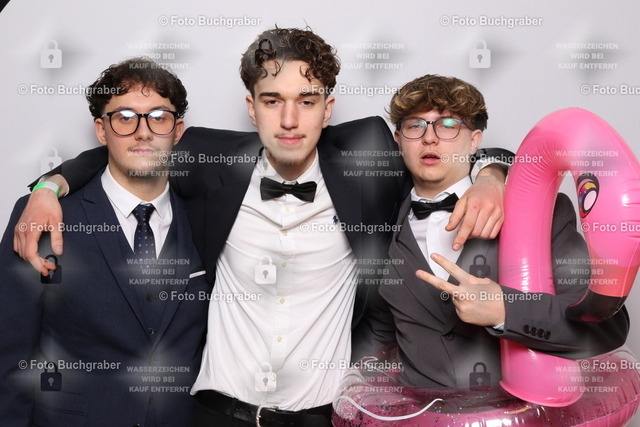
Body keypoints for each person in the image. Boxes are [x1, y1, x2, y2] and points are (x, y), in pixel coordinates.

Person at [12, 29, 510, 426]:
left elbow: (441, 152)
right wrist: (49, 186)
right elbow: (131, 145)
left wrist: (490, 175)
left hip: (321, 416)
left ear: (328, 109)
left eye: (306, 100)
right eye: (272, 101)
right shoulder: (209, 160)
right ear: (251, 108)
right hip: (212, 413)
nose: (289, 119)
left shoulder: (369, 157)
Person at [351, 74, 630, 389]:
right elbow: (380, 331)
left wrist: (505, 310)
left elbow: (606, 326)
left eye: (448, 125)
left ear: (474, 140)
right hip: (419, 411)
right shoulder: (380, 224)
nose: (429, 138)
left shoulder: (540, 214)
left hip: (519, 410)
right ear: (398, 140)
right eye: (415, 126)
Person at [0, 57, 211, 426]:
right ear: (102, 130)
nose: (143, 132)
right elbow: (10, 353)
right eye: (125, 117)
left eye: (158, 117)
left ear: (177, 130)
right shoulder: (46, 217)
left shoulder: (209, 213)